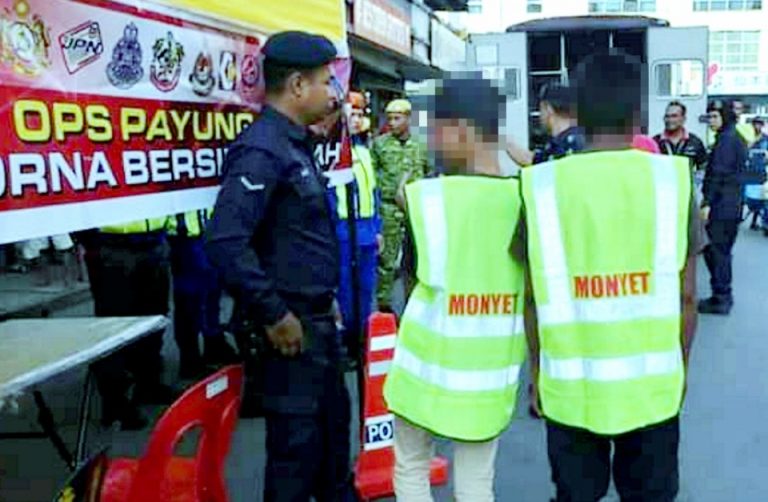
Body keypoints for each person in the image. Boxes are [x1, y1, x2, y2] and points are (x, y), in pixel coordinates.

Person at [519, 52, 698, 502]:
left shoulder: (542, 186)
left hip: (571, 388)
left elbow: (533, 296)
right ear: (640, 113)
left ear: (577, 111)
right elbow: (687, 296)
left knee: (576, 495)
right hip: (652, 389)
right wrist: (679, 368)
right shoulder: (672, 182)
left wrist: (537, 372)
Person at [205, 31, 353, 501]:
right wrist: (273, 313)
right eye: (326, 81)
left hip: (317, 325)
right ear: (296, 85)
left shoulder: (295, 144)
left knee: (332, 454)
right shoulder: (263, 150)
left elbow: (296, 237)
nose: (333, 93)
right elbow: (226, 241)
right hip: (290, 335)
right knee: (295, 461)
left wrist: (325, 297)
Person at [384, 76, 526, 501]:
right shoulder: (527, 198)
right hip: (488, 375)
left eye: (438, 130)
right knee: (477, 482)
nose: (433, 142)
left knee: (411, 466)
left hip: (421, 369)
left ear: (461, 130)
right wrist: (515, 152)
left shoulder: (421, 197)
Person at [88, 217, 176, 430]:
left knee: (154, 320)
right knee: (114, 327)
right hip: (112, 245)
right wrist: (92, 242)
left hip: (153, 240)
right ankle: (114, 402)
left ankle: (149, 384)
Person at [327, 91, 382, 361]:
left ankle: (360, 339)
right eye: (352, 114)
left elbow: (373, 192)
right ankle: (347, 342)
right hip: (343, 231)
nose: (357, 120)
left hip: (367, 231)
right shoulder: (332, 151)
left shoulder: (363, 150)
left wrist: (378, 228)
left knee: (365, 289)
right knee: (345, 290)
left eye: (360, 115)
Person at [371, 98, 431, 312]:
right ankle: (384, 306)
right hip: (389, 209)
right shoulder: (380, 145)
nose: (392, 123)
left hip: (415, 210)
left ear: (408, 119)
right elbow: (372, 177)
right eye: (389, 119)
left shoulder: (421, 146)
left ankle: (415, 305)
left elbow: (428, 173)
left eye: (397, 118)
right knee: (387, 261)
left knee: (417, 260)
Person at [168, 209, 238, 380]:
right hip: (184, 234)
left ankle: (213, 343)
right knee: (189, 297)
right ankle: (189, 358)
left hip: (209, 230)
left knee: (212, 290)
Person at [699, 100, 748, 315]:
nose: (711, 120)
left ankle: (721, 298)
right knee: (721, 252)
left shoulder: (726, 140)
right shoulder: (733, 137)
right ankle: (722, 295)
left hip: (721, 205)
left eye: (715, 116)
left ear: (725, 117)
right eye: (709, 116)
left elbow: (718, 174)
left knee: (716, 252)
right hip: (731, 203)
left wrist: (707, 203)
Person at [505, 83, 585, 167]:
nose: (540, 115)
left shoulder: (568, 144)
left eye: (540, 109)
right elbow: (533, 160)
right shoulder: (566, 141)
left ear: (548, 108)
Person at [653, 101, 708, 174]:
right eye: (667, 116)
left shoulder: (695, 142)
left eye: (674, 116)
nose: (670, 120)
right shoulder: (654, 142)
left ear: (683, 119)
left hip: (686, 181)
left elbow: (703, 169)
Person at [743, 117, 768, 231]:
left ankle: (756, 222)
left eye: (760, 124)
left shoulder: (766, 139)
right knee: (747, 197)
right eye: (755, 124)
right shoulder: (746, 137)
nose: (757, 126)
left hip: (761, 172)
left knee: (760, 197)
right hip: (747, 172)